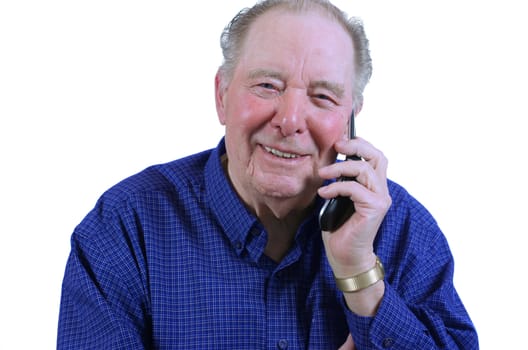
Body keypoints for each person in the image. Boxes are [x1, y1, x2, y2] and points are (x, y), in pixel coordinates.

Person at [57, 0, 478, 348]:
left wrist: (361, 278)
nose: (291, 120)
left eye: (323, 96)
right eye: (267, 86)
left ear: (351, 117)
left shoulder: (401, 227)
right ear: (223, 96)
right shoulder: (124, 227)